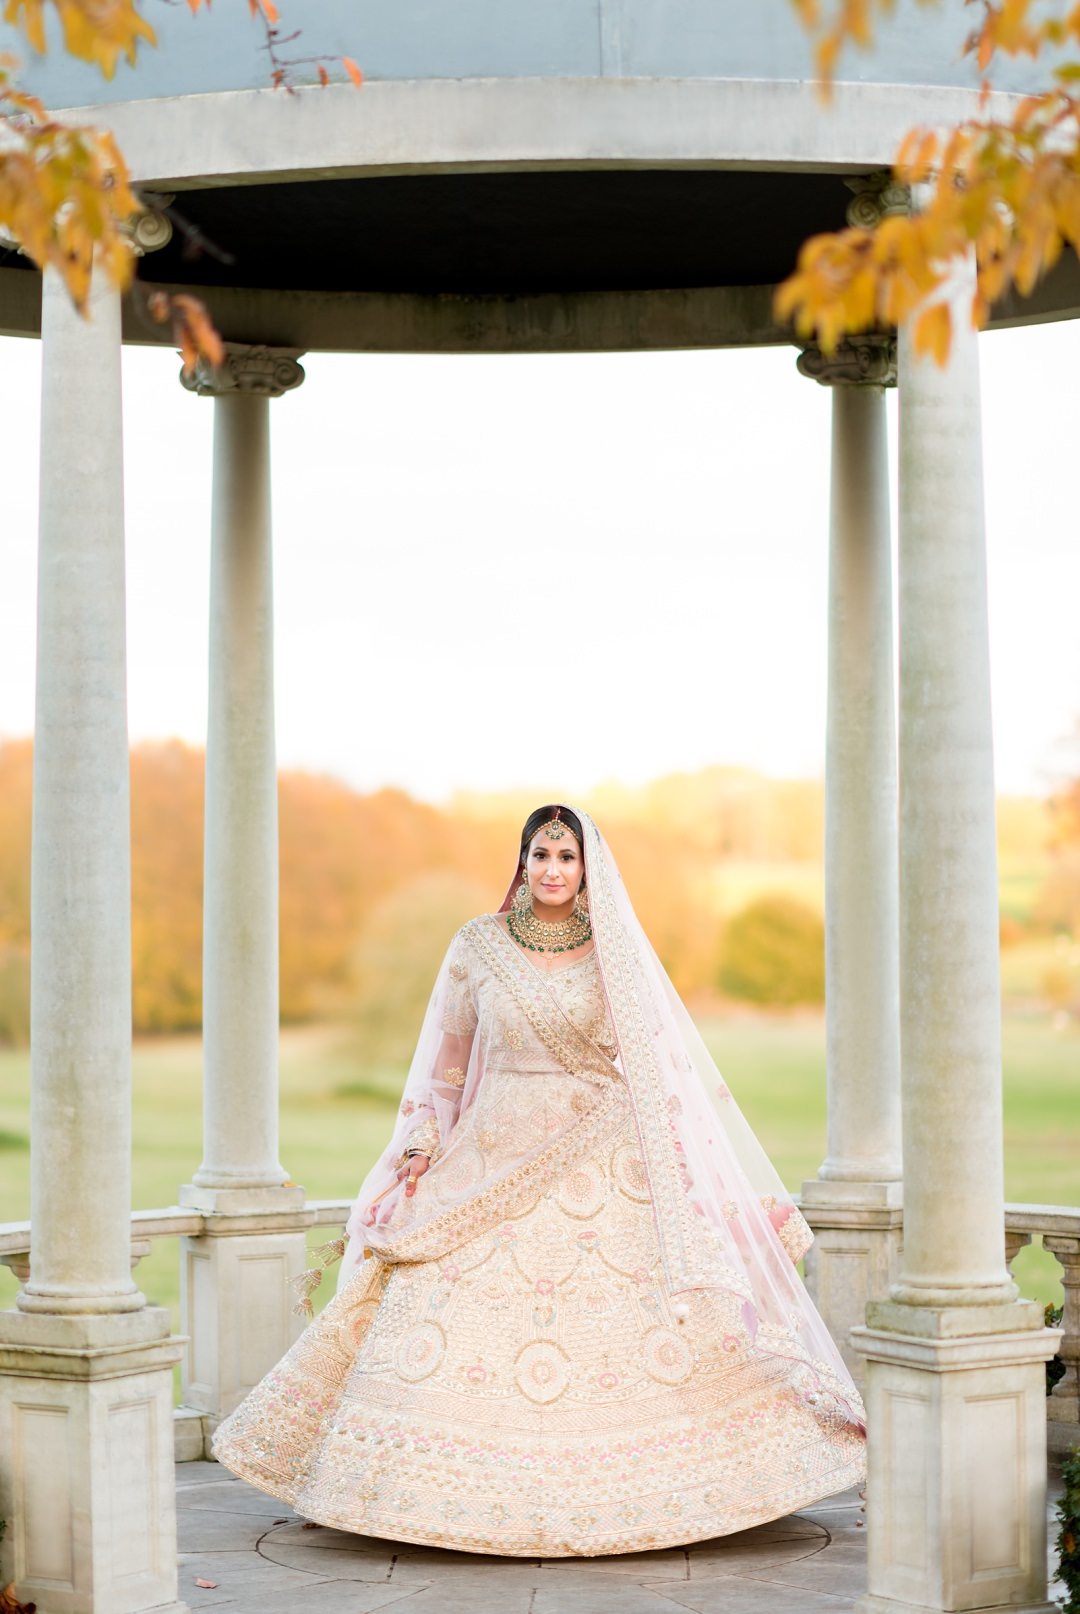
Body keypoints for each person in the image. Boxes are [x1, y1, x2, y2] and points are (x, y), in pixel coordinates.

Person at [213, 804, 865, 1556]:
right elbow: (448, 1068)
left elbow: (656, 1072)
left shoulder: (613, 950)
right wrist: (424, 1144)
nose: (553, 869)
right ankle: (416, 1488)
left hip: (602, 1154)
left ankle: (671, 1486)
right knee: (435, 1306)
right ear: (520, 862)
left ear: (587, 870)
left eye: (568, 856)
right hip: (486, 1160)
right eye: (541, 854)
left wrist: (679, 1166)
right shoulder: (477, 947)